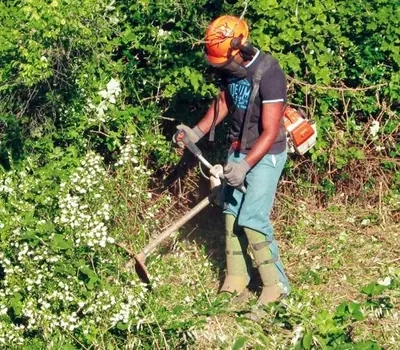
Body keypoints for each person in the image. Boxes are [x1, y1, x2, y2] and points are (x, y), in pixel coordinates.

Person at [173, 15, 290, 306]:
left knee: (252, 219)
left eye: (224, 62)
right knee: (231, 216)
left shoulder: (269, 71)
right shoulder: (230, 67)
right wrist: (196, 133)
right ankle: (238, 278)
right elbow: (224, 102)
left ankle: (276, 288)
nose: (222, 67)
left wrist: (245, 165)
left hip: (266, 153)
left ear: (240, 46)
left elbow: (271, 130)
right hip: (237, 150)